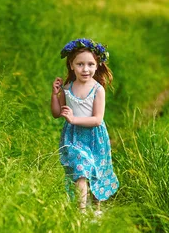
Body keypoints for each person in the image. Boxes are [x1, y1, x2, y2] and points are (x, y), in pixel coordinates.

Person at [50, 38, 119, 214]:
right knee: (80, 170)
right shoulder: (67, 88)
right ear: (71, 65)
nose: (85, 69)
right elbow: (57, 113)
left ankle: (95, 208)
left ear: (97, 66)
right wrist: (55, 95)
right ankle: (80, 212)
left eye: (90, 64)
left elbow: (97, 119)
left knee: (95, 172)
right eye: (80, 64)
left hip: (94, 137)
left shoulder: (97, 90)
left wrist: (74, 119)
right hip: (73, 138)